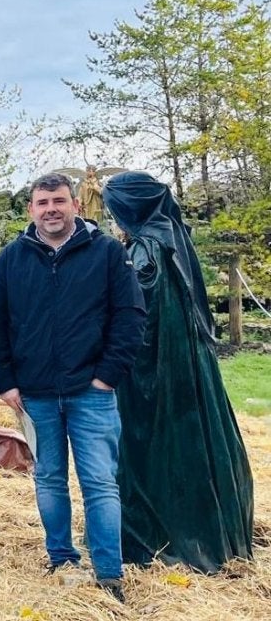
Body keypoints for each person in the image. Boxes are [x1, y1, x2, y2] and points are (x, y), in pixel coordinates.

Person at [0, 173, 146, 603]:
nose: (51, 209)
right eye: (42, 202)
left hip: (91, 390)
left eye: (59, 200)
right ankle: (61, 559)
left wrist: (106, 375)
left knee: (99, 482)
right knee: (50, 479)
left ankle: (109, 573)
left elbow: (129, 317)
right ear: (30, 210)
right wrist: (5, 381)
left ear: (76, 204)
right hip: (33, 393)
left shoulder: (107, 254)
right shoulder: (11, 259)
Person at [103, 171, 254, 573]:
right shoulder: (171, 238)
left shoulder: (146, 252)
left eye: (112, 208)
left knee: (159, 450)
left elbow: (135, 320)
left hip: (157, 375)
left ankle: (163, 539)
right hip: (188, 369)